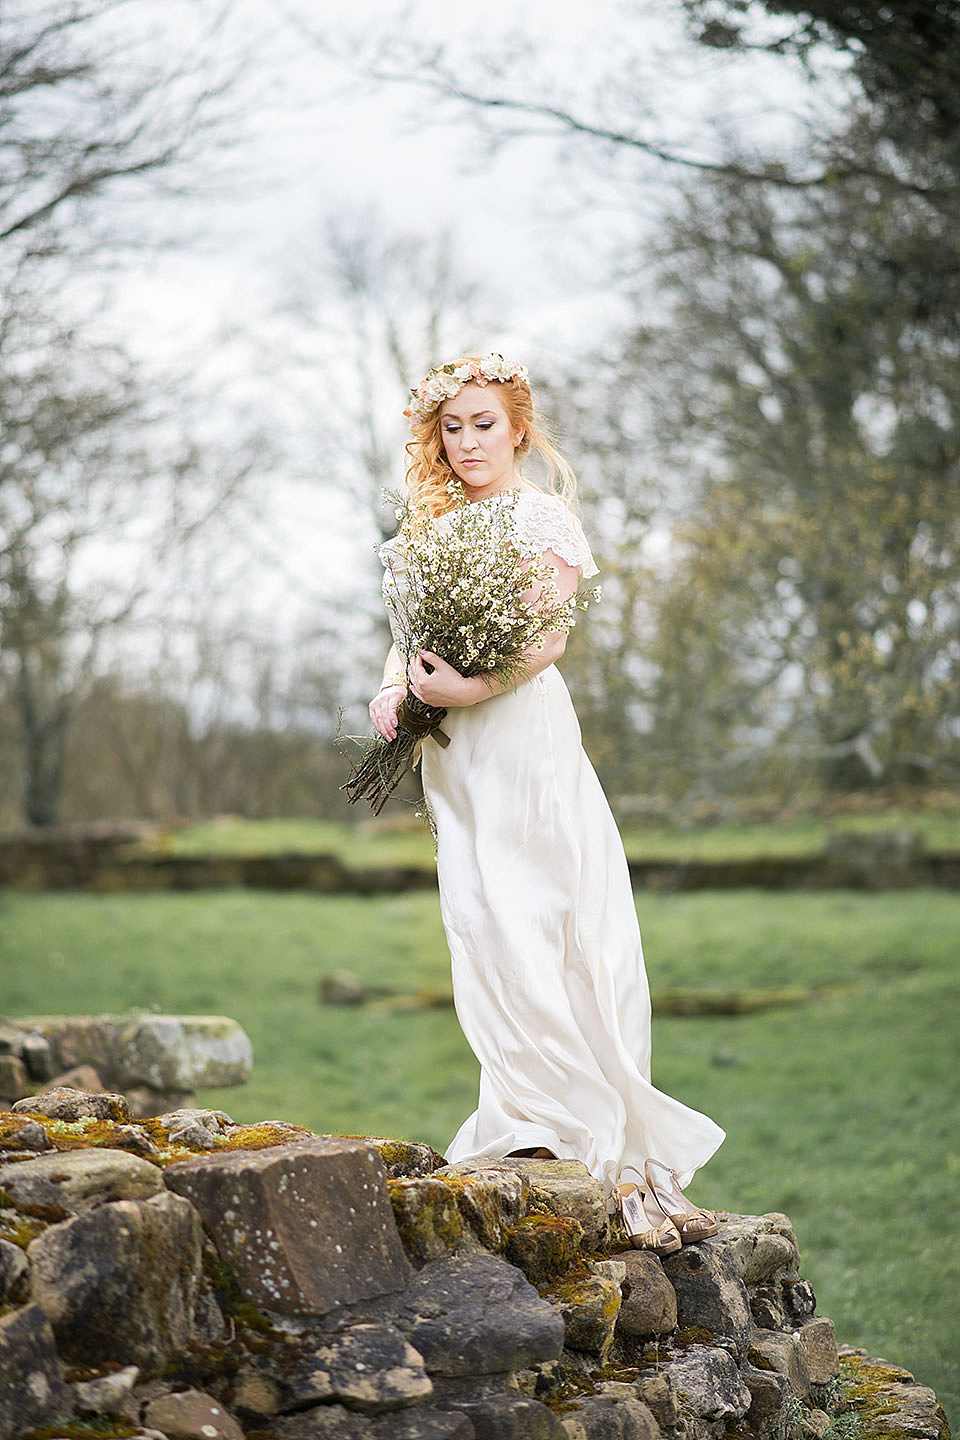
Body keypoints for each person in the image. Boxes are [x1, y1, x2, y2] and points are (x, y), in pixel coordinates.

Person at [369, 354, 724, 1252]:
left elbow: (548, 635)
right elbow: (408, 640)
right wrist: (394, 693)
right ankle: (529, 1112)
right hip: (456, 756)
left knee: (546, 916)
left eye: (483, 424)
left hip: (518, 737)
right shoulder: (431, 527)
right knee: (483, 919)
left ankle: (610, 1150)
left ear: (517, 428)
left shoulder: (539, 514)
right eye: (451, 428)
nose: (467, 442)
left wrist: (464, 688)